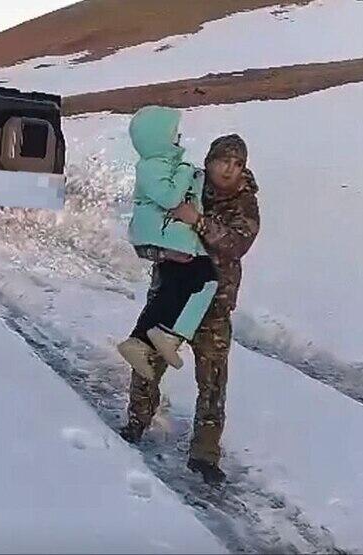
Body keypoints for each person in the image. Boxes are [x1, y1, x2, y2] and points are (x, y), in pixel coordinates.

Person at [121, 133, 260, 485]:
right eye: (223, 161)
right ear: (209, 160)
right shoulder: (183, 185)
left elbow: (235, 244)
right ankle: (136, 423)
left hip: (213, 306)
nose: (229, 169)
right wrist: (163, 253)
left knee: (212, 382)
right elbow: (146, 231)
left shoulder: (245, 204)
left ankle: (205, 455)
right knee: (147, 361)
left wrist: (195, 219)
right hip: (173, 296)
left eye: (237, 164)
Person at [118, 106, 219, 372]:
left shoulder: (161, 164)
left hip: (168, 234)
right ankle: (169, 336)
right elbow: (171, 198)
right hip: (164, 235)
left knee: (176, 287)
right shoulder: (152, 167)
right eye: (173, 133)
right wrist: (186, 169)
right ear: (158, 136)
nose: (179, 137)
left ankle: (142, 340)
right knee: (202, 277)